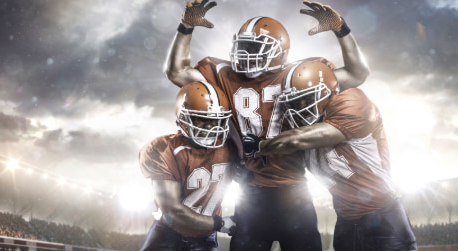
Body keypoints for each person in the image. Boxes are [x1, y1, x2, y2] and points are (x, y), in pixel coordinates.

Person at [164, 0, 370, 250]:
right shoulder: (224, 74)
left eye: (253, 46)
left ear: (279, 50)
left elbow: (357, 73)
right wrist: (186, 26)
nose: (244, 53)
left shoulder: (301, 75)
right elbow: (176, 72)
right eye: (242, 46)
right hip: (251, 192)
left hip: (294, 189)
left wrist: (342, 30)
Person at [243, 60, 417, 250]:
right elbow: (283, 157)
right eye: (295, 101)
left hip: (384, 215)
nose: (300, 107)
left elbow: (296, 140)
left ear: (328, 93)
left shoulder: (353, 104)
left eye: (307, 99)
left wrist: (259, 146)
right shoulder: (299, 131)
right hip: (345, 220)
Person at [139, 81, 238, 251]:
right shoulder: (164, 148)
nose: (209, 126)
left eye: (214, 120)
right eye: (201, 119)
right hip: (167, 233)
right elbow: (172, 212)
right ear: (183, 118)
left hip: (205, 238)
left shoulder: (231, 148)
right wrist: (218, 223)